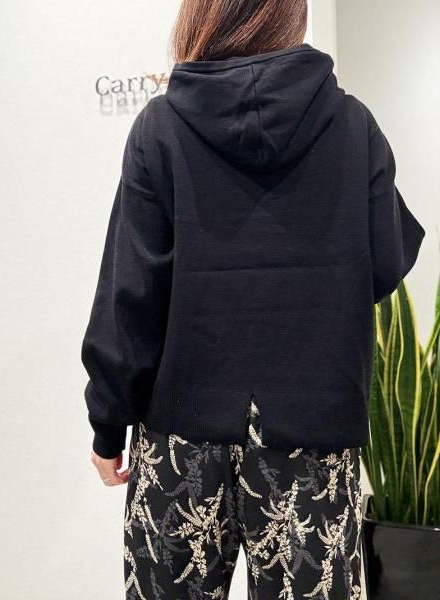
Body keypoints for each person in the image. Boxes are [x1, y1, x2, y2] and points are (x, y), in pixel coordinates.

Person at [81, 0, 426, 597]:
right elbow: (387, 260)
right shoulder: (351, 125)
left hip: (180, 438)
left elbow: (130, 295)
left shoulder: (160, 129)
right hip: (313, 439)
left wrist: (107, 425)